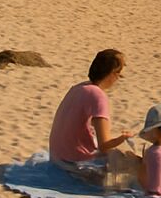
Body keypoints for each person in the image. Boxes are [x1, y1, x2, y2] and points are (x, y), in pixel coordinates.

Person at [48, 50, 134, 178]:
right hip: (73, 162)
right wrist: (122, 138)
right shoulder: (98, 96)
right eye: (118, 74)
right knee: (134, 163)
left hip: (56, 156)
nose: (117, 79)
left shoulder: (78, 87)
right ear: (112, 74)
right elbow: (104, 145)